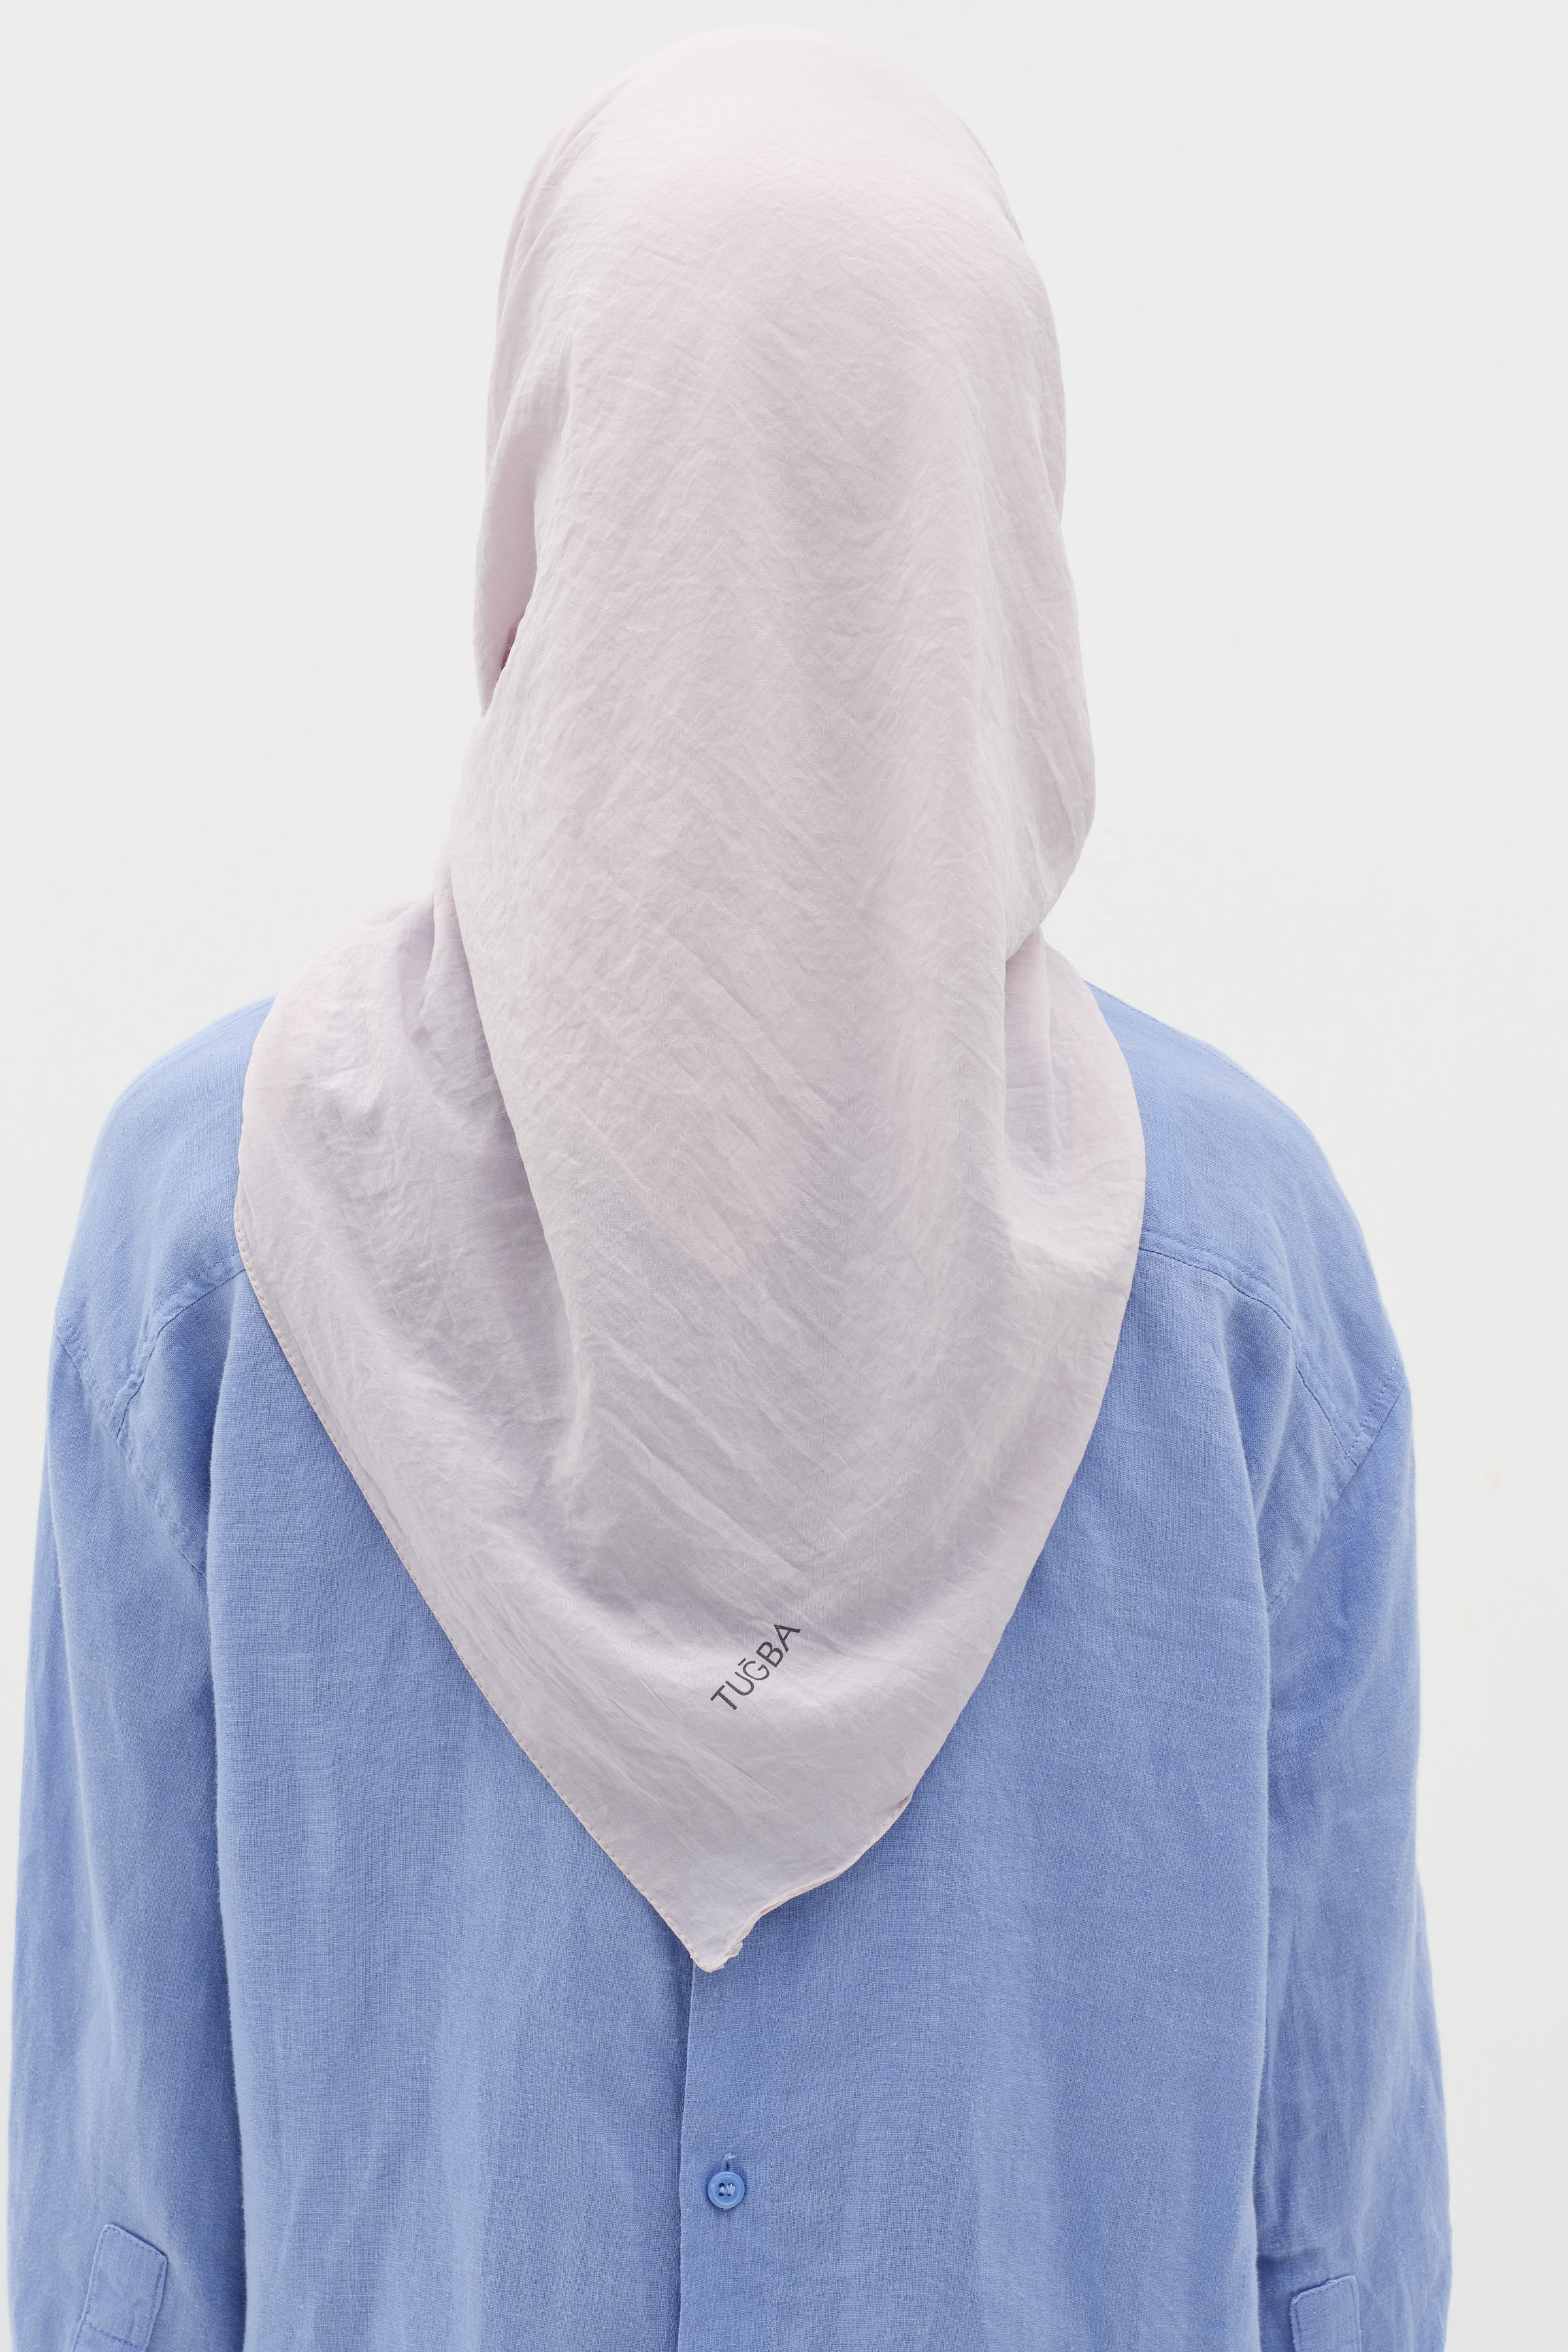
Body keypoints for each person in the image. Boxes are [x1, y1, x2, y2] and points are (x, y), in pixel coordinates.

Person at [9, 28, 1449, 2352]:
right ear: (1010, 541)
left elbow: (124, 2228)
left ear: (537, 502)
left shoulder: (226, 1233)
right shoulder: (1233, 1274)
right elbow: (1336, 2245)